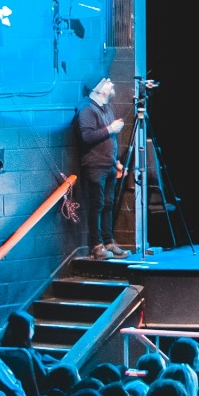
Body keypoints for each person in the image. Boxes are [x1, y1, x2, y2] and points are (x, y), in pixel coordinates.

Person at [75, 76, 128, 260]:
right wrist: (110, 129)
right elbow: (87, 137)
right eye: (107, 82)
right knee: (97, 205)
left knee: (108, 204)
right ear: (97, 88)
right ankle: (97, 246)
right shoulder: (86, 109)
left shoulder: (107, 108)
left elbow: (112, 141)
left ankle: (108, 242)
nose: (112, 84)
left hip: (109, 165)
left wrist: (117, 162)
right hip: (95, 166)